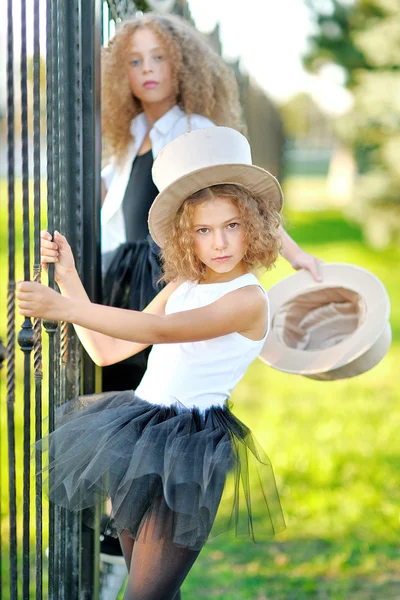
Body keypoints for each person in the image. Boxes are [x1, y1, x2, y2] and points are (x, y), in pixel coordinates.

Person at [18, 126, 287, 599]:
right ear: (187, 237)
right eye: (204, 230)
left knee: (146, 595)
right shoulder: (183, 284)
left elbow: (160, 332)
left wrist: (64, 309)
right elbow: (108, 350)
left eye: (232, 226)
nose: (219, 243)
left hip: (188, 450)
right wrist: (70, 280)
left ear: (255, 226)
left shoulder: (248, 299)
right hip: (137, 434)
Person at [100, 11, 323, 394]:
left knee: (148, 375)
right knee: (114, 370)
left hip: (161, 268)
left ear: (183, 65)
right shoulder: (130, 135)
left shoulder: (193, 130)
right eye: (135, 62)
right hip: (120, 267)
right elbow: (112, 195)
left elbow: (242, 197)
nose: (147, 70)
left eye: (159, 57)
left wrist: (295, 253)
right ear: (123, 74)